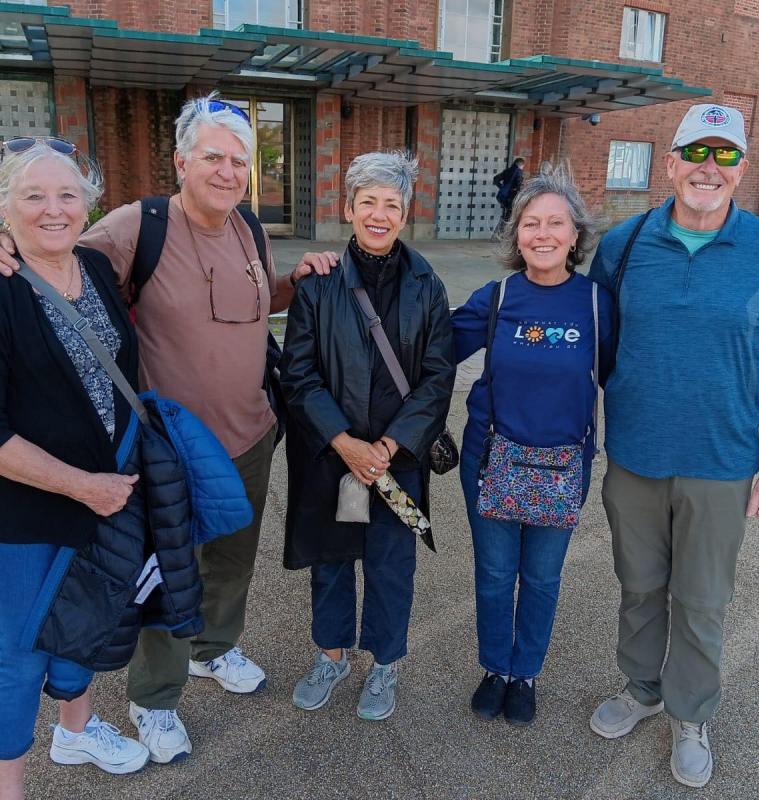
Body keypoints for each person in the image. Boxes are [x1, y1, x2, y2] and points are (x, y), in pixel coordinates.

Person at [0, 94, 338, 764]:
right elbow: (53, 252)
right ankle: (154, 699)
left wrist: (293, 281)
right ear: (181, 160)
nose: (226, 170)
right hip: (169, 449)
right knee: (163, 573)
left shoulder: (249, 227)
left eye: (239, 160)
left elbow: (256, 298)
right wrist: (6, 238)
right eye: (212, 156)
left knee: (232, 562)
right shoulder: (136, 225)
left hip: (249, 433)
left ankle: (217, 648)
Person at [588, 103, 759, 788]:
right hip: (636, 457)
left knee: (703, 600)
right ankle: (642, 689)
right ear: (671, 162)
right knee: (640, 587)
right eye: (696, 153)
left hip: (721, 462)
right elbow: (598, 350)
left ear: (740, 168)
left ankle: (691, 711)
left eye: (726, 155)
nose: (710, 168)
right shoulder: (622, 245)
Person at [280, 151, 455, 721]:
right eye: (369, 202)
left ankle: (384, 665)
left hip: (396, 461)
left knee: (390, 560)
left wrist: (389, 446)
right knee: (332, 557)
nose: (380, 215)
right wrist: (344, 442)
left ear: (405, 214)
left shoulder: (427, 285)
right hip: (336, 460)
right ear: (349, 208)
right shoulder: (319, 285)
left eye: (393, 205)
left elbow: (437, 376)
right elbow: (298, 373)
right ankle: (330, 656)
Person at [0, 140, 150, 798]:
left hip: (105, 493)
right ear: (6, 206)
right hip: (28, 508)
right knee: (17, 651)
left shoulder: (93, 264)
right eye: (33, 195)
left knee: (83, 618)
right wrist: (81, 487)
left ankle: (77, 729)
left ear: (89, 202)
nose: (53, 210)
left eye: (68, 195)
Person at [452, 164, 614, 727]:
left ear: (575, 236)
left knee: (542, 578)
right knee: (495, 575)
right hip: (491, 458)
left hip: (562, 465)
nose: (542, 234)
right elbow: (428, 348)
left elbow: (624, 376)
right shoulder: (497, 297)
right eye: (530, 223)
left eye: (555, 223)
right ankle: (496, 667)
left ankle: (526, 675)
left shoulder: (596, 305)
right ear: (516, 234)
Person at [493, 157, 525, 223]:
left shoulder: (507, 170)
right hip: (512, 198)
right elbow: (520, 187)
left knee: (507, 215)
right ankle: (504, 230)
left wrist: (502, 188)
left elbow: (495, 179)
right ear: (521, 165)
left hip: (502, 196)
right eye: (523, 166)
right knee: (510, 218)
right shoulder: (519, 172)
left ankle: (502, 229)